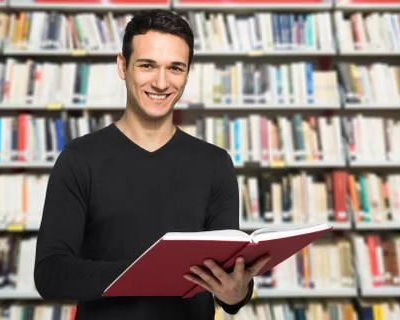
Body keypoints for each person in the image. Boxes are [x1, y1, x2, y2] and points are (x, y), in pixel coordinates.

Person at [34, 9, 270, 319]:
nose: (161, 82)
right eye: (147, 65)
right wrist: (149, 272)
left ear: (187, 73)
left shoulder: (215, 164)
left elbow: (226, 277)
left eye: (175, 68)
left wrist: (237, 293)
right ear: (123, 66)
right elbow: (50, 274)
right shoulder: (79, 159)